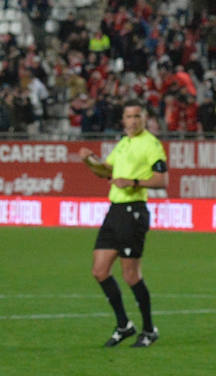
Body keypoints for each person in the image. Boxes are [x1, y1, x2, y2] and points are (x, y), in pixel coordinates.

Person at [79, 99, 168, 349]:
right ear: (123, 120)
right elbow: (105, 171)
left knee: (130, 275)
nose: (132, 121)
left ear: (145, 118)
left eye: (137, 116)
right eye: (128, 117)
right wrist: (89, 161)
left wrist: (134, 182)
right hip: (115, 211)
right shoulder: (124, 143)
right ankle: (124, 325)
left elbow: (162, 180)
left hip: (133, 212)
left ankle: (149, 329)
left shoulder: (151, 145)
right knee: (99, 271)